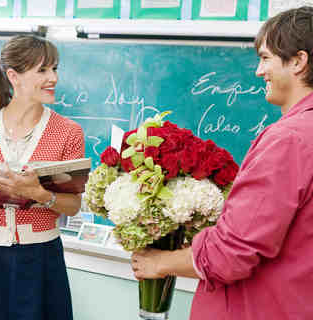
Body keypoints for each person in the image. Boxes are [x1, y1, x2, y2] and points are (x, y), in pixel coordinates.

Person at [131, 6, 313, 320]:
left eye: (265, 58)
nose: (258, 71)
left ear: (298, 61)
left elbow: (231, 254)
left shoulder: (290, 141)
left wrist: (158, 262)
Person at [0, 35, 85, 320]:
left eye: (55, 69)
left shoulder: (69, 131)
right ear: (14, 76)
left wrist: (40, 194)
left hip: (41, 258)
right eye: (42, 70)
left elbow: (73, 206)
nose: (53, 78)